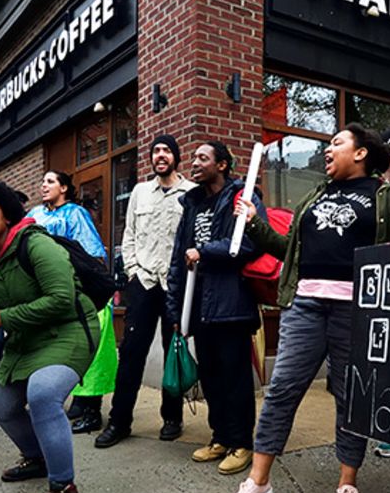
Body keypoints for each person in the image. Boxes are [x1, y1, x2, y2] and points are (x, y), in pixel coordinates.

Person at [221, 124, 390, 493]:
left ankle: (347, 484)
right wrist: (256, 222)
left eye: (337, 143)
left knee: (350, 398)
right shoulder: (315, 195)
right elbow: (289, 249)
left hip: (355, 312)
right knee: (282, 391)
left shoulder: (389, 199)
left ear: (360, 153)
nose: (328, 150)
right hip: (304, 305)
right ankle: (258, 483)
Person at [0, 178, 98, 493]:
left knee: (43, 393)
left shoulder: (35, 244)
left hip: (69, 330)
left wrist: (2, 317)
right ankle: (37, 458)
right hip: (27, 338)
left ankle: (64, 489)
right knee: (0, 401)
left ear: (6, 214)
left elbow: (61, 300)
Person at [166, 141, 266, 475]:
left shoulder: (242, 196)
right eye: (193, 158)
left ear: (221, 165)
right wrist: (176, 310)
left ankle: (242, 444)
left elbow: (248, 244)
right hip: (199, 306)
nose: (194, 163)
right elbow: (179, 257)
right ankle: (220, 437)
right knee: (210, 376)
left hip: (230, 304)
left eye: (202, 158)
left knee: (234, 377)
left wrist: (205, 252)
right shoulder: (192, 204)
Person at [95, 134, 196, 448]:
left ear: (176, 157)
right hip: (144, 283)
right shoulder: (140, 191)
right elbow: (129, 236)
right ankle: (119, 421)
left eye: (166, 150)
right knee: (131, 354)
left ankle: (172, 417)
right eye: (156, 151)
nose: (161, 155)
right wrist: (134, 273)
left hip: (175, 285)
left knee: (172, 351)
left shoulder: (191, 193)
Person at [25, 171, 114, 434]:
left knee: (89, 350)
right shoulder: (36, 214)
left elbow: (92, 255)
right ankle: (76, 401)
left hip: (77, 291)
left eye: (50, 181)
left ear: (64, 188)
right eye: (42, 181)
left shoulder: (75, 214)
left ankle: (91, 410)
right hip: (47, 293)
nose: (44, 185)